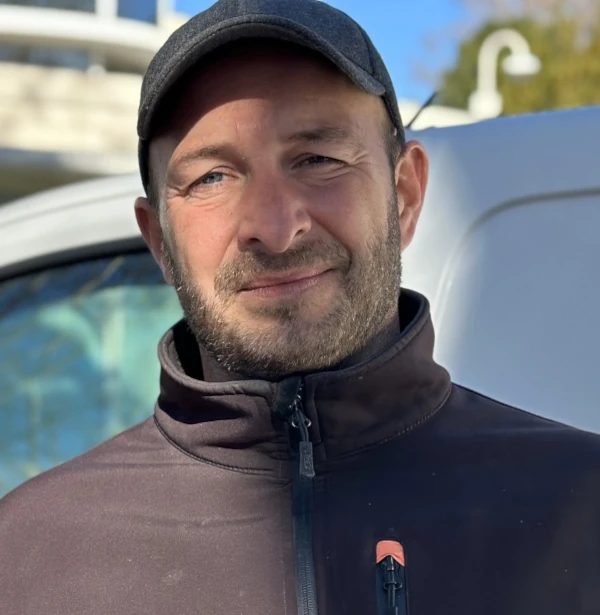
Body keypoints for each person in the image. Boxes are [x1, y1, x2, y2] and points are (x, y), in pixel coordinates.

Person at [2, 0, 600, 613]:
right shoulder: (27, 554)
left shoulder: (580, 508)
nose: (274, 226)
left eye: (318, 160)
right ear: (158, 240)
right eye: (211, 177)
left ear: (404, 195)